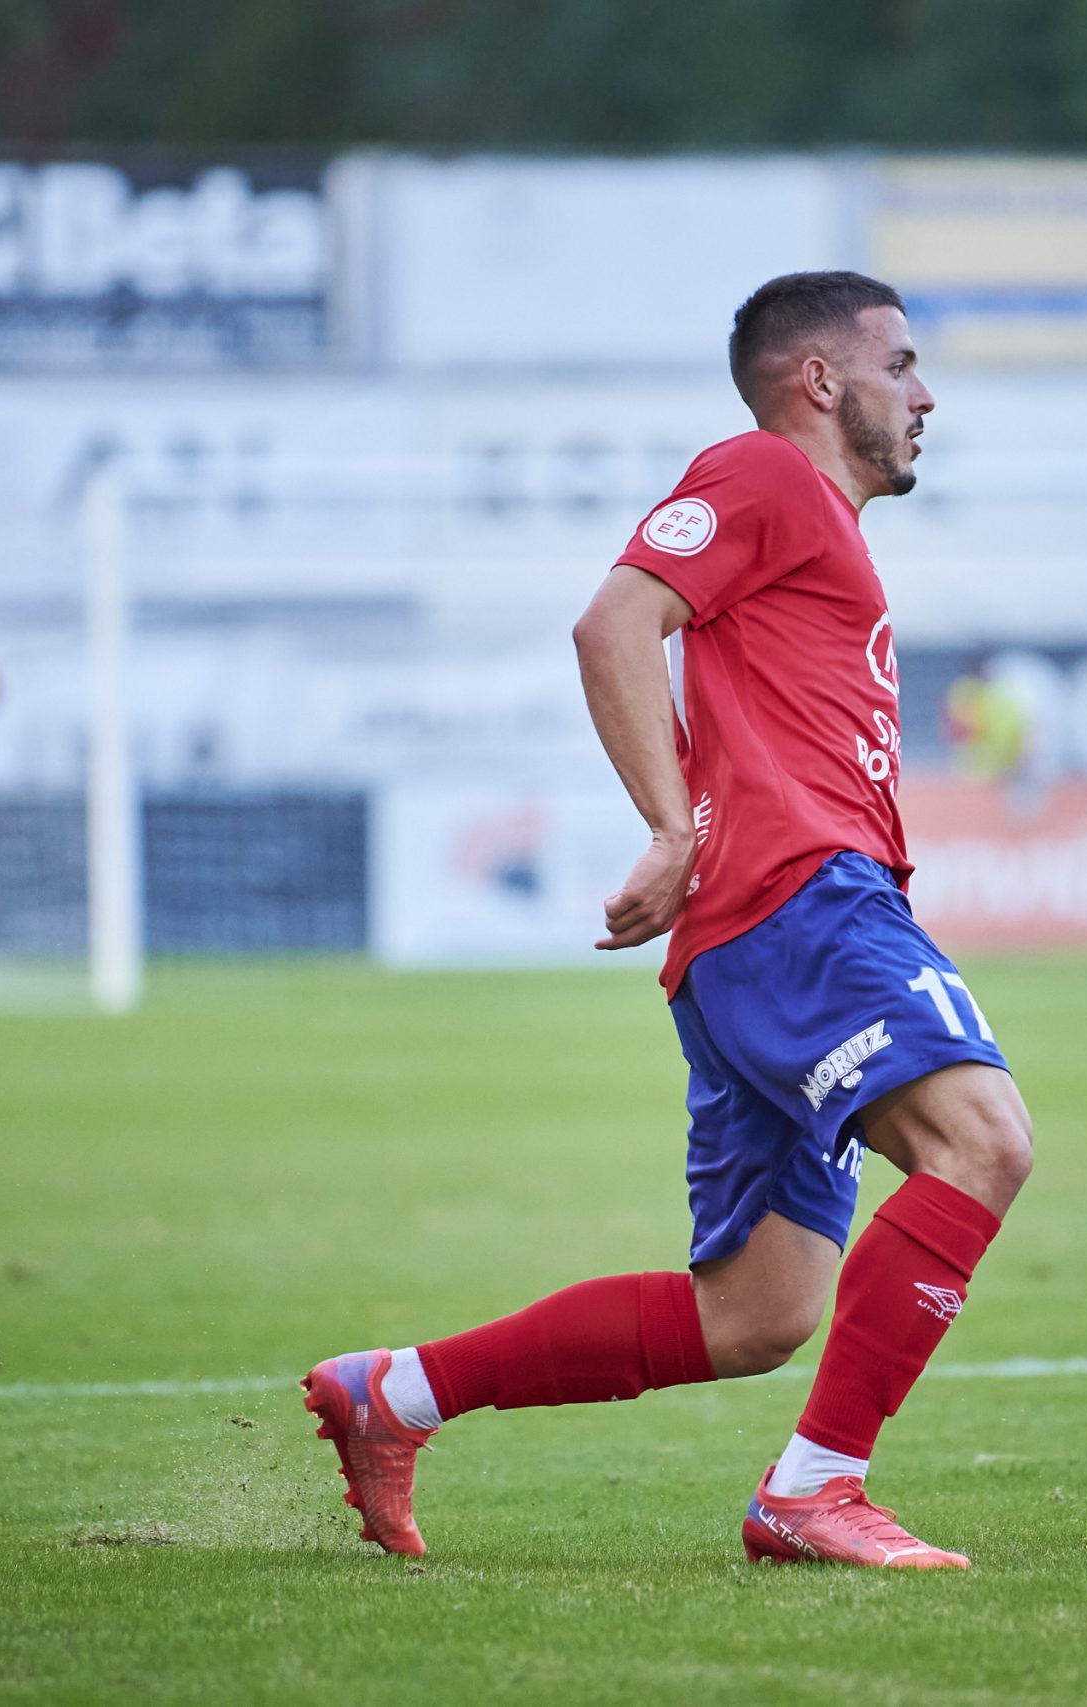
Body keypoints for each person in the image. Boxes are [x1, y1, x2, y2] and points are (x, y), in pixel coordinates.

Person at [303, 272, 1034, 1570]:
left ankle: (396, 1394)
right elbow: (613, 623)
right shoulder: (767, 472)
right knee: (982, 1140)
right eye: (901, 364)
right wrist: (673, 828)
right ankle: (815, 1489)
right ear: (820, 380)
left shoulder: (817, 524)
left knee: (755, 1312)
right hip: (799, 903)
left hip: (757, 933)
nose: (926, 395)